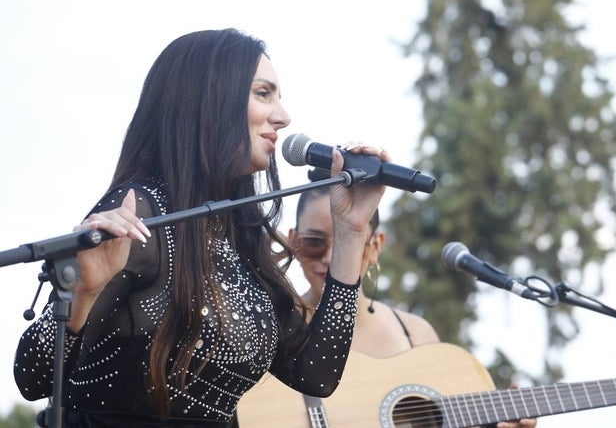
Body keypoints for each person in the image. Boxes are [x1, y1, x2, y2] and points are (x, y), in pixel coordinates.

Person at [13, 28, 387, 427]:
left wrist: (351, 229)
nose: (283, 115)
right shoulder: (140, 213)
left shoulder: (240, 231)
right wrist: (81, 295)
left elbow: (315, 373)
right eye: (263, 93)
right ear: (210, 101)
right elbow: (33, 378)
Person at [274, 171, 537, 428]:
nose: (331, 257)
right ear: (293, 240)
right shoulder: (274, 320)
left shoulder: (415, 333)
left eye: (349, 240)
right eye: (314, 242)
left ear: (376, 246)